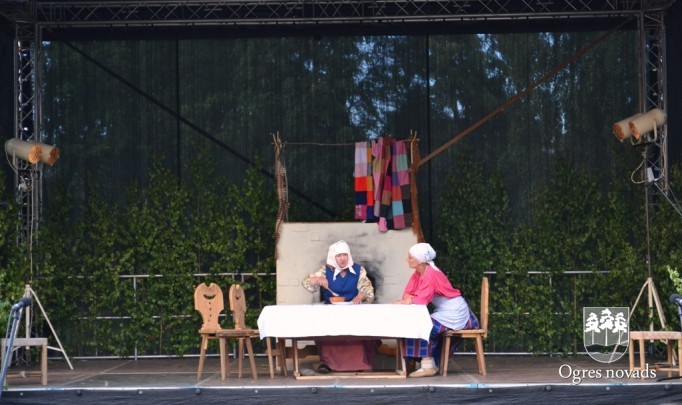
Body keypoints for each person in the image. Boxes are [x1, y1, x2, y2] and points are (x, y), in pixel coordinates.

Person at [395, 242, 479, 377]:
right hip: (444, 311)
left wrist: (410, 299)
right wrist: (408, 298)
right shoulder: (419, 273)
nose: (407, 260)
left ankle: (428, 365)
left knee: (423, 326)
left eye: (410, 257)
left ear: (419, 260)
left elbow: (421, 300)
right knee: (417, 324)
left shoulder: (430, 274)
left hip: (454, 312)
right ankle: (429, 363)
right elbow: (408, 293)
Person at [302, 240, 377, 373]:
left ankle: (358, 364)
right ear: (333, 257)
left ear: (349, 255)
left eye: (345, 255)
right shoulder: (325, 270)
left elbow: (368, 290)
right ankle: (326, 363)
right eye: (339, 256)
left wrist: (360, 296)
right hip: (331, 312)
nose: (342, 258)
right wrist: (318, 280)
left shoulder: (358, 270)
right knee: (325, 329)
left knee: (359, 328)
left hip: (352, 311)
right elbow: (307, 282)